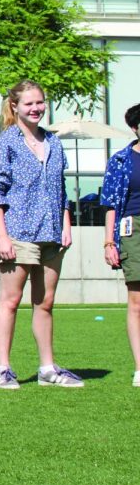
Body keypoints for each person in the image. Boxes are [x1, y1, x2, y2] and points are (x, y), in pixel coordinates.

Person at [0, 79, 79, 389]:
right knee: (10, 300)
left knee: (45, 302)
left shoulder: (55, 142)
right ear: (15, 107)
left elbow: (61, 188)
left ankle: (48, 368)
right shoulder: (3, 145)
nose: (36, 108)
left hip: (51, 232)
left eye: (40, 102)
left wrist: (65, 222)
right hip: (19, 231)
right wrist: (2, 235)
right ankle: (3, 369)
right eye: (29, 104)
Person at [102, 102, 140, 388]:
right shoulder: (120, 160)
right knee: (137, 301)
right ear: (134, 128)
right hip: (133, 229)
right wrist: (108, 242)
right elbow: (112, 205)